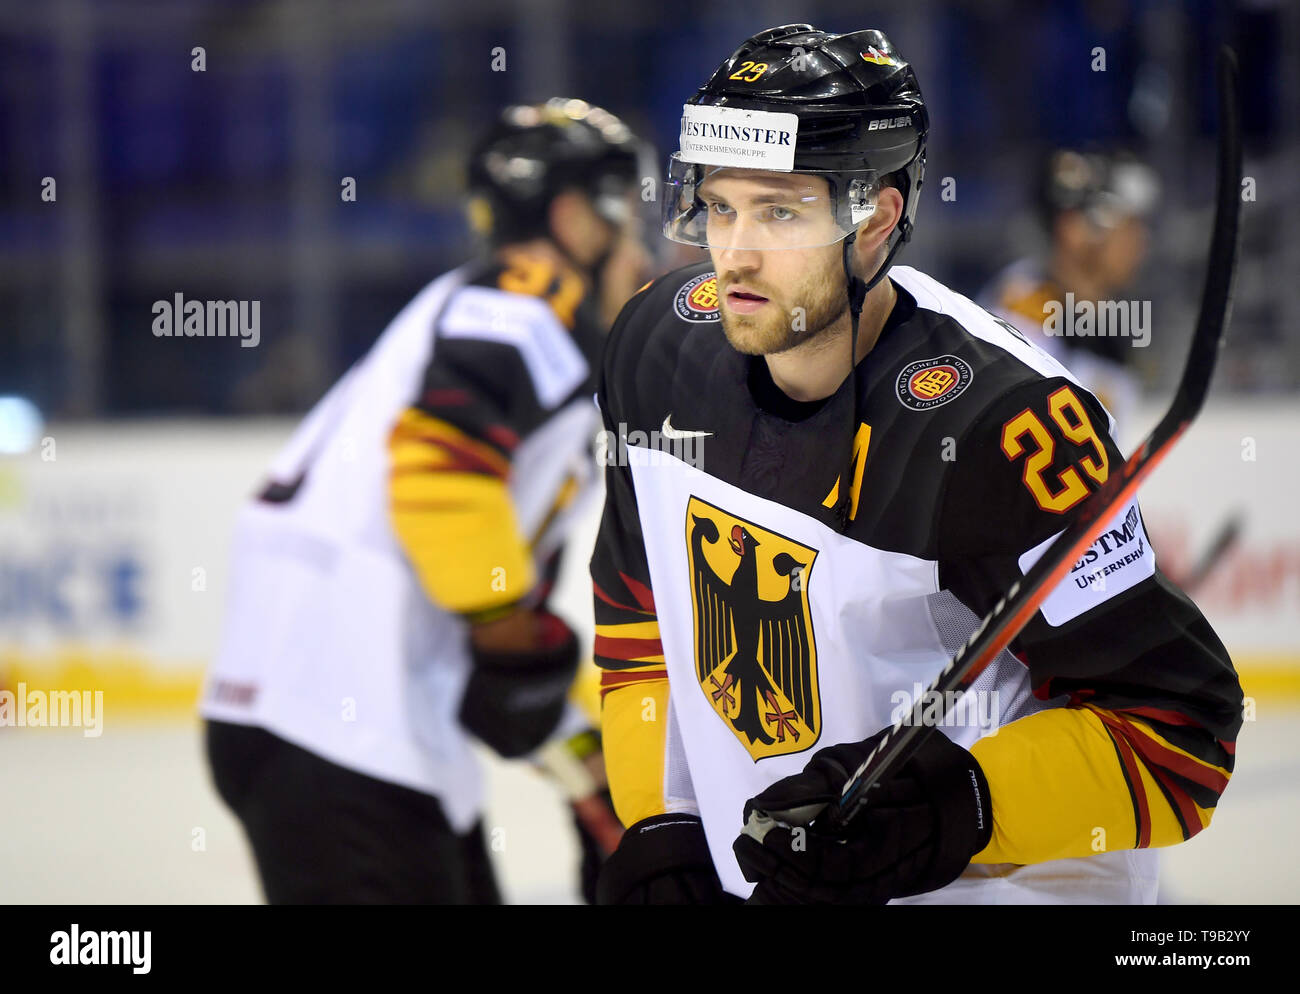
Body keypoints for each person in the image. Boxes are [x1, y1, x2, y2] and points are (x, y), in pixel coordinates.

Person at [589, 24, 1241, 905]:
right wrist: (660, 816)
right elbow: (640, 624)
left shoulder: (1007, 428)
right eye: (719, 205)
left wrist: (962, 805)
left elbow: (1181, 732)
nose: (733, 252)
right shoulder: (654, 347)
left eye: (780, 211)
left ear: (877, 221)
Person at [201, 97, 647, 903]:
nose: (643, 255)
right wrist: (517, 642)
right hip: (344, 728)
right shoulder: (525, 303)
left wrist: (581, 749)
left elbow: (490, 580)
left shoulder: (489, 311)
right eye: (633, 222)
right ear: (580, 218)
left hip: (345, 726)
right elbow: (441, 479)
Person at [979, 149, 1160, 438]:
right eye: (1127, 224)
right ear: (1073, 229)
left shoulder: (1106, 319)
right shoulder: (1024, 306)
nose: (1140, 239)